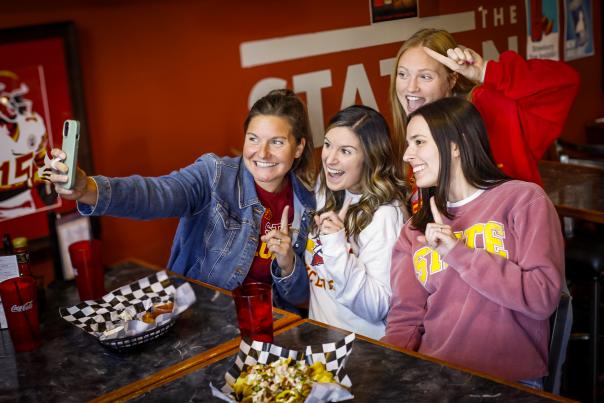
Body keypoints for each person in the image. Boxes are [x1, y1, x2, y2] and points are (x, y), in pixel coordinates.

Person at [47, 89, 316, 312]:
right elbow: (154, 194)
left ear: (299, 147)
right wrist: (86, 188)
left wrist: (287, 262)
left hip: (269, 328)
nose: (262, 152)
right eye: (254, 139)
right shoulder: (215, 175)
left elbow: (298, 298)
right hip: (203, 321)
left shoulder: (309, 204)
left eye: (277, 142)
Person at [382, 97, 564, 386]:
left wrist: (459, 253)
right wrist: (387, 374)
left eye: (418, 142)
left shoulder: (523, 200)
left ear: (455, 145)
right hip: (436, 378)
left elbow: (543, 297)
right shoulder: (413, 230)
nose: (406, 155)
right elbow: (405, 318)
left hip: (508, 381)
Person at [272, 105, 409, 339]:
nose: (330, 159)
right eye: (327, 145)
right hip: (321, 347)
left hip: (362, 355)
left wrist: (336, 246)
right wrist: (288, 261)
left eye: (345, 151)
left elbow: (376, 308)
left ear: (371, 157)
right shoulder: (327, 189)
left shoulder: (385, 214)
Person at [389, 28, 579, 190]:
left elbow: (565, 82)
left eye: (425, 77)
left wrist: (485, 71)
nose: (411, 87)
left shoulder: (488, 107)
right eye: (403, 74)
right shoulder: (410, 138)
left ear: (452, 79)